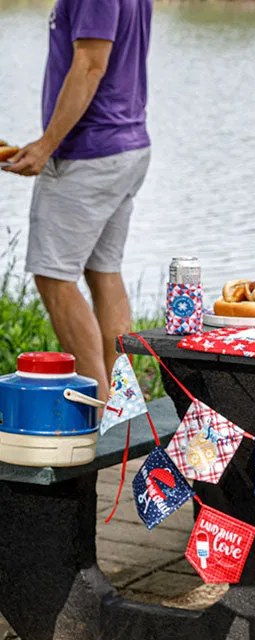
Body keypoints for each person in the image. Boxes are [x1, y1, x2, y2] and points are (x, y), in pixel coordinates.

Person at [3, 0, 153, 399]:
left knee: (53, 276)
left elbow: (90, 64)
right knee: (104, 272)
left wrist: (46, 145)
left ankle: (101, 412)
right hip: (125, 146)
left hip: (90, 153)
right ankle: (121, 407)